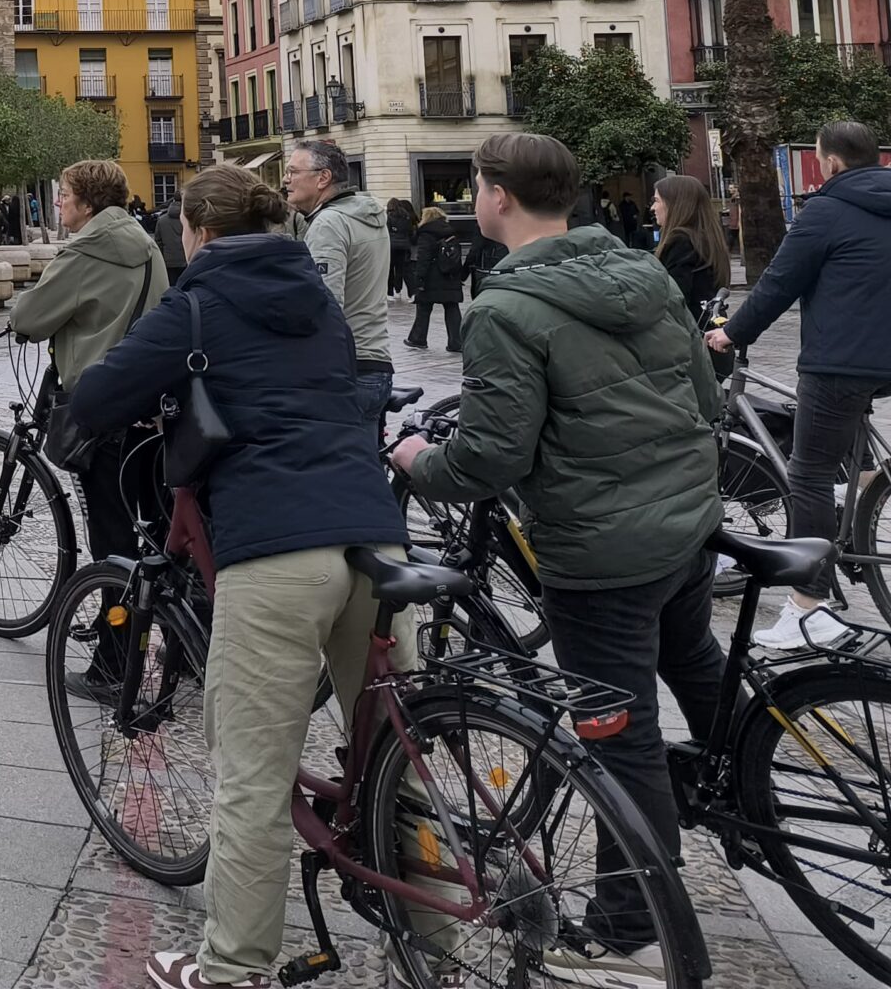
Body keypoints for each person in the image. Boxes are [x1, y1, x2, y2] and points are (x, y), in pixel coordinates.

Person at [66, 164, 409, 989]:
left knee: (253, 776)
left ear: (198, 232)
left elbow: (100, 393)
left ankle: (230, 969)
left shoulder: (195, 305)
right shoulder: (320, 302)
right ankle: (435, 942)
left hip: (278, 547)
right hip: (377, 539)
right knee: (404, 752)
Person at [393, 133, 725, 975]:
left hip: (602, 548)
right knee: (696, 663)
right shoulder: (643, 270)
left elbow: (490, 460)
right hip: (687, 520)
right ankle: (742, 797)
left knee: (619, 732)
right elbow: (705, 391)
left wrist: (416, 463)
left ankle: (628, 915)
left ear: (496, 195)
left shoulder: (505, 309)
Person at [707, 119, 891, 648]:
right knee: (839, 435)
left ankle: (808, 608)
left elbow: (778, 283)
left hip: (842, 361)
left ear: (831, 162)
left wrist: (731, 333)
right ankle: (861, 494)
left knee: (809, 474)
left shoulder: (825, 210)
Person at [11, 159, 168, 685]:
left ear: (87, 203)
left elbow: (31, 318)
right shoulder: (144, 244)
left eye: (63, 195)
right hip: (149, 404)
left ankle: (114, 662)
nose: (58, 203)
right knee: (152, 528)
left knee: (111, 539)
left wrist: (19, 317)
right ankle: (179, 645)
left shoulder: (85, 252)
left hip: (99, 406)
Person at [284, 138, 392, 421]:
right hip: (375, 361)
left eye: (294, 171)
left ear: (323, 178)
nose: (286, 180)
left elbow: (322, 304)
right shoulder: (368, 214)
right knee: (365, 463)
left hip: (346, 369)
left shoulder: (329, 223)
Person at [651, 174, 729, 333]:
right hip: (711, 328)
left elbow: (674, 296)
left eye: (657, 200)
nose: (653, 207)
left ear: (675, 204)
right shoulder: (706, 238)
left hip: (690, 335)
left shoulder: (681, 241)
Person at [405, 206, 467, 353]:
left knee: (423, 308)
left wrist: (419, 279)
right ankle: (456, 342)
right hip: (450, 276)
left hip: (431, 277)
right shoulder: (451, 231)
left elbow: (423, 258)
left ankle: (418, 338)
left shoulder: (426, 234)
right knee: (452, 308)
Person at [151, 191, 188, 289]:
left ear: (173, 200)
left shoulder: (162, 220)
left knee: (171, 288)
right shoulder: (189, 219)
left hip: (168, 261)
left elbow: (158, 242)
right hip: (186, 260)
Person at [385, 197, 416, 298]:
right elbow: (410, 231)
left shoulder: (388, 216)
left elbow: (386, 232)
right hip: (404, 246)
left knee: (390, 270)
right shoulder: (406, 216)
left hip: (391, 246)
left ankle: (390, 293)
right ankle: (399, 290)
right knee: (401, 269)